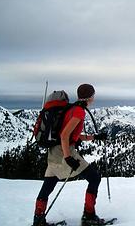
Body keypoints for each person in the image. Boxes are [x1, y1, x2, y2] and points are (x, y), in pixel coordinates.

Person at [33, 84, 108, 226]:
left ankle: (38, 220)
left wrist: (95, 137)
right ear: (90, 97)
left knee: (48, 186)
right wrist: (68, 157)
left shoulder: (71, 108)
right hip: (64, 152)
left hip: (53, 152)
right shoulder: (79, 111)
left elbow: (74, 135)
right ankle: (89, 216)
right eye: (93, 95)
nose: (94, 97)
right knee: (94, 178)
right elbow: (65, 135)